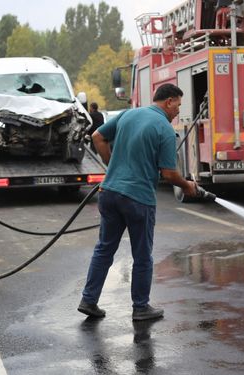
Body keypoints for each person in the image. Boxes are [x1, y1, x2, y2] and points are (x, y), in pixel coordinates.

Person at [78, 84, 198, 321]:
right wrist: (188, 186)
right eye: (178, 106)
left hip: (109, 192)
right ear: (169, 102)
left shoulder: (129, 114)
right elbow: (169, 173)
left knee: (104, 249)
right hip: (137, 198)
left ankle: (89, 300)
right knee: (142, 254)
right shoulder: (163, 128)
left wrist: (112, 166)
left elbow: (97, 137)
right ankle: (140, 307)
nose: (178, 112)